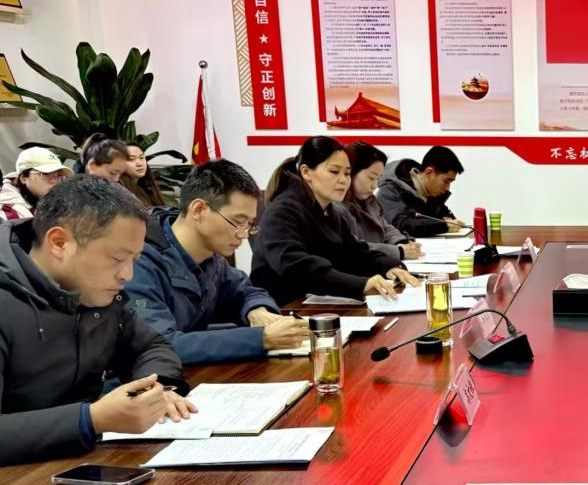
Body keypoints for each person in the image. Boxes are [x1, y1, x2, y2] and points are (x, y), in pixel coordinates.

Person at [0, 175, 195, 466]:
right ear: (59, 243)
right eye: (117, 258)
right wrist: (90, 419)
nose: (127, 275)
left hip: (79, 465)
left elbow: (151, 345)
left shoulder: (98, 296)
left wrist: (156, 390)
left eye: (134, 260)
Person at [126, 160, 310, 365]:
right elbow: (159, 344)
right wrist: (261, 339)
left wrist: (257, 311)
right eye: (237, 222)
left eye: (249, 224)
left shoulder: (212, 258)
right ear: (198, 210)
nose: (243, 234)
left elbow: (247, 291)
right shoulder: (137, 261)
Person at [251, 136, 418, 306]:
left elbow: (355, 253)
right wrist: (361, 285)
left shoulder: (331, 212)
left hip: (319, 305)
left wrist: (388, 266)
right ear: (306, 172)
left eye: (347, 173)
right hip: (282, 309)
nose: (343, 180)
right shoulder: (282, 211)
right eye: (334, 171)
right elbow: (298, 268)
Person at [335, 142, 421, 261]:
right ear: (352, 172)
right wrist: (399, 251)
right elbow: (353, 247)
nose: (375, 185)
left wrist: (402, 242)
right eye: (371, 178)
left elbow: (385, 227)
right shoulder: (336, 206)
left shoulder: (370, 201)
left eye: (378, 179)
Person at [378, 146, 468, 238]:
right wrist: (443, 225)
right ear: (429, 172)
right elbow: (401, 225)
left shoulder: (432, 192)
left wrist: (448, 220)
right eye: (446, 181)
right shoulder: (390, 189)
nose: (447, 188)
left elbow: (444, 217)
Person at [2, 147, 72, 220]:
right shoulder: (9, 215)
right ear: (23, 178)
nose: (55, 181)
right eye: (45, 173)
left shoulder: (59, 203)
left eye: (59, 175)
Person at [119, 143, 166, 207]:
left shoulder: (146, 187)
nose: (139, 164)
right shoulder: (119, 191)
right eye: (131, 159)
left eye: (141, 158)